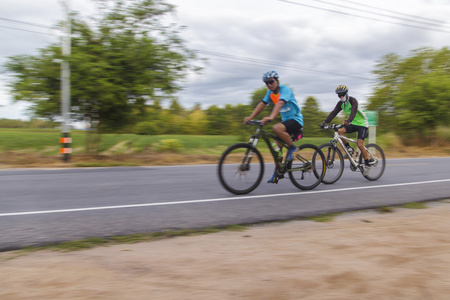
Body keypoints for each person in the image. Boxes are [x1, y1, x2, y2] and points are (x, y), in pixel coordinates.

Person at [244, 71, 304, 183]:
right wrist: (250, 117)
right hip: (286, 123)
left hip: (296, 120)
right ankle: (278, 172)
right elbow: (262, 104)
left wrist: (271, 117)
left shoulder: (285, 90)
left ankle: (293, 148)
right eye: (266, 83)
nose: (269, 85)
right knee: (275, 148)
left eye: (271, 82)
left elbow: (280, 103)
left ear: (277, 81)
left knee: (276, 128)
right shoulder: (270, 93)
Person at [321, 85, 372, 175]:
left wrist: (349, 120)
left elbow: (354, 111)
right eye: (339, 95)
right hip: (352, 123)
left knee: (360, 144)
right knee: (339, 131)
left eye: (342, 95)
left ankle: (367, 164)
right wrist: (325, 122)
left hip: (362, 124)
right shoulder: (341, 103)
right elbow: (333, 112)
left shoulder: (353, 100)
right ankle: (349, 148)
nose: (341, 97)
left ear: (346, 94)